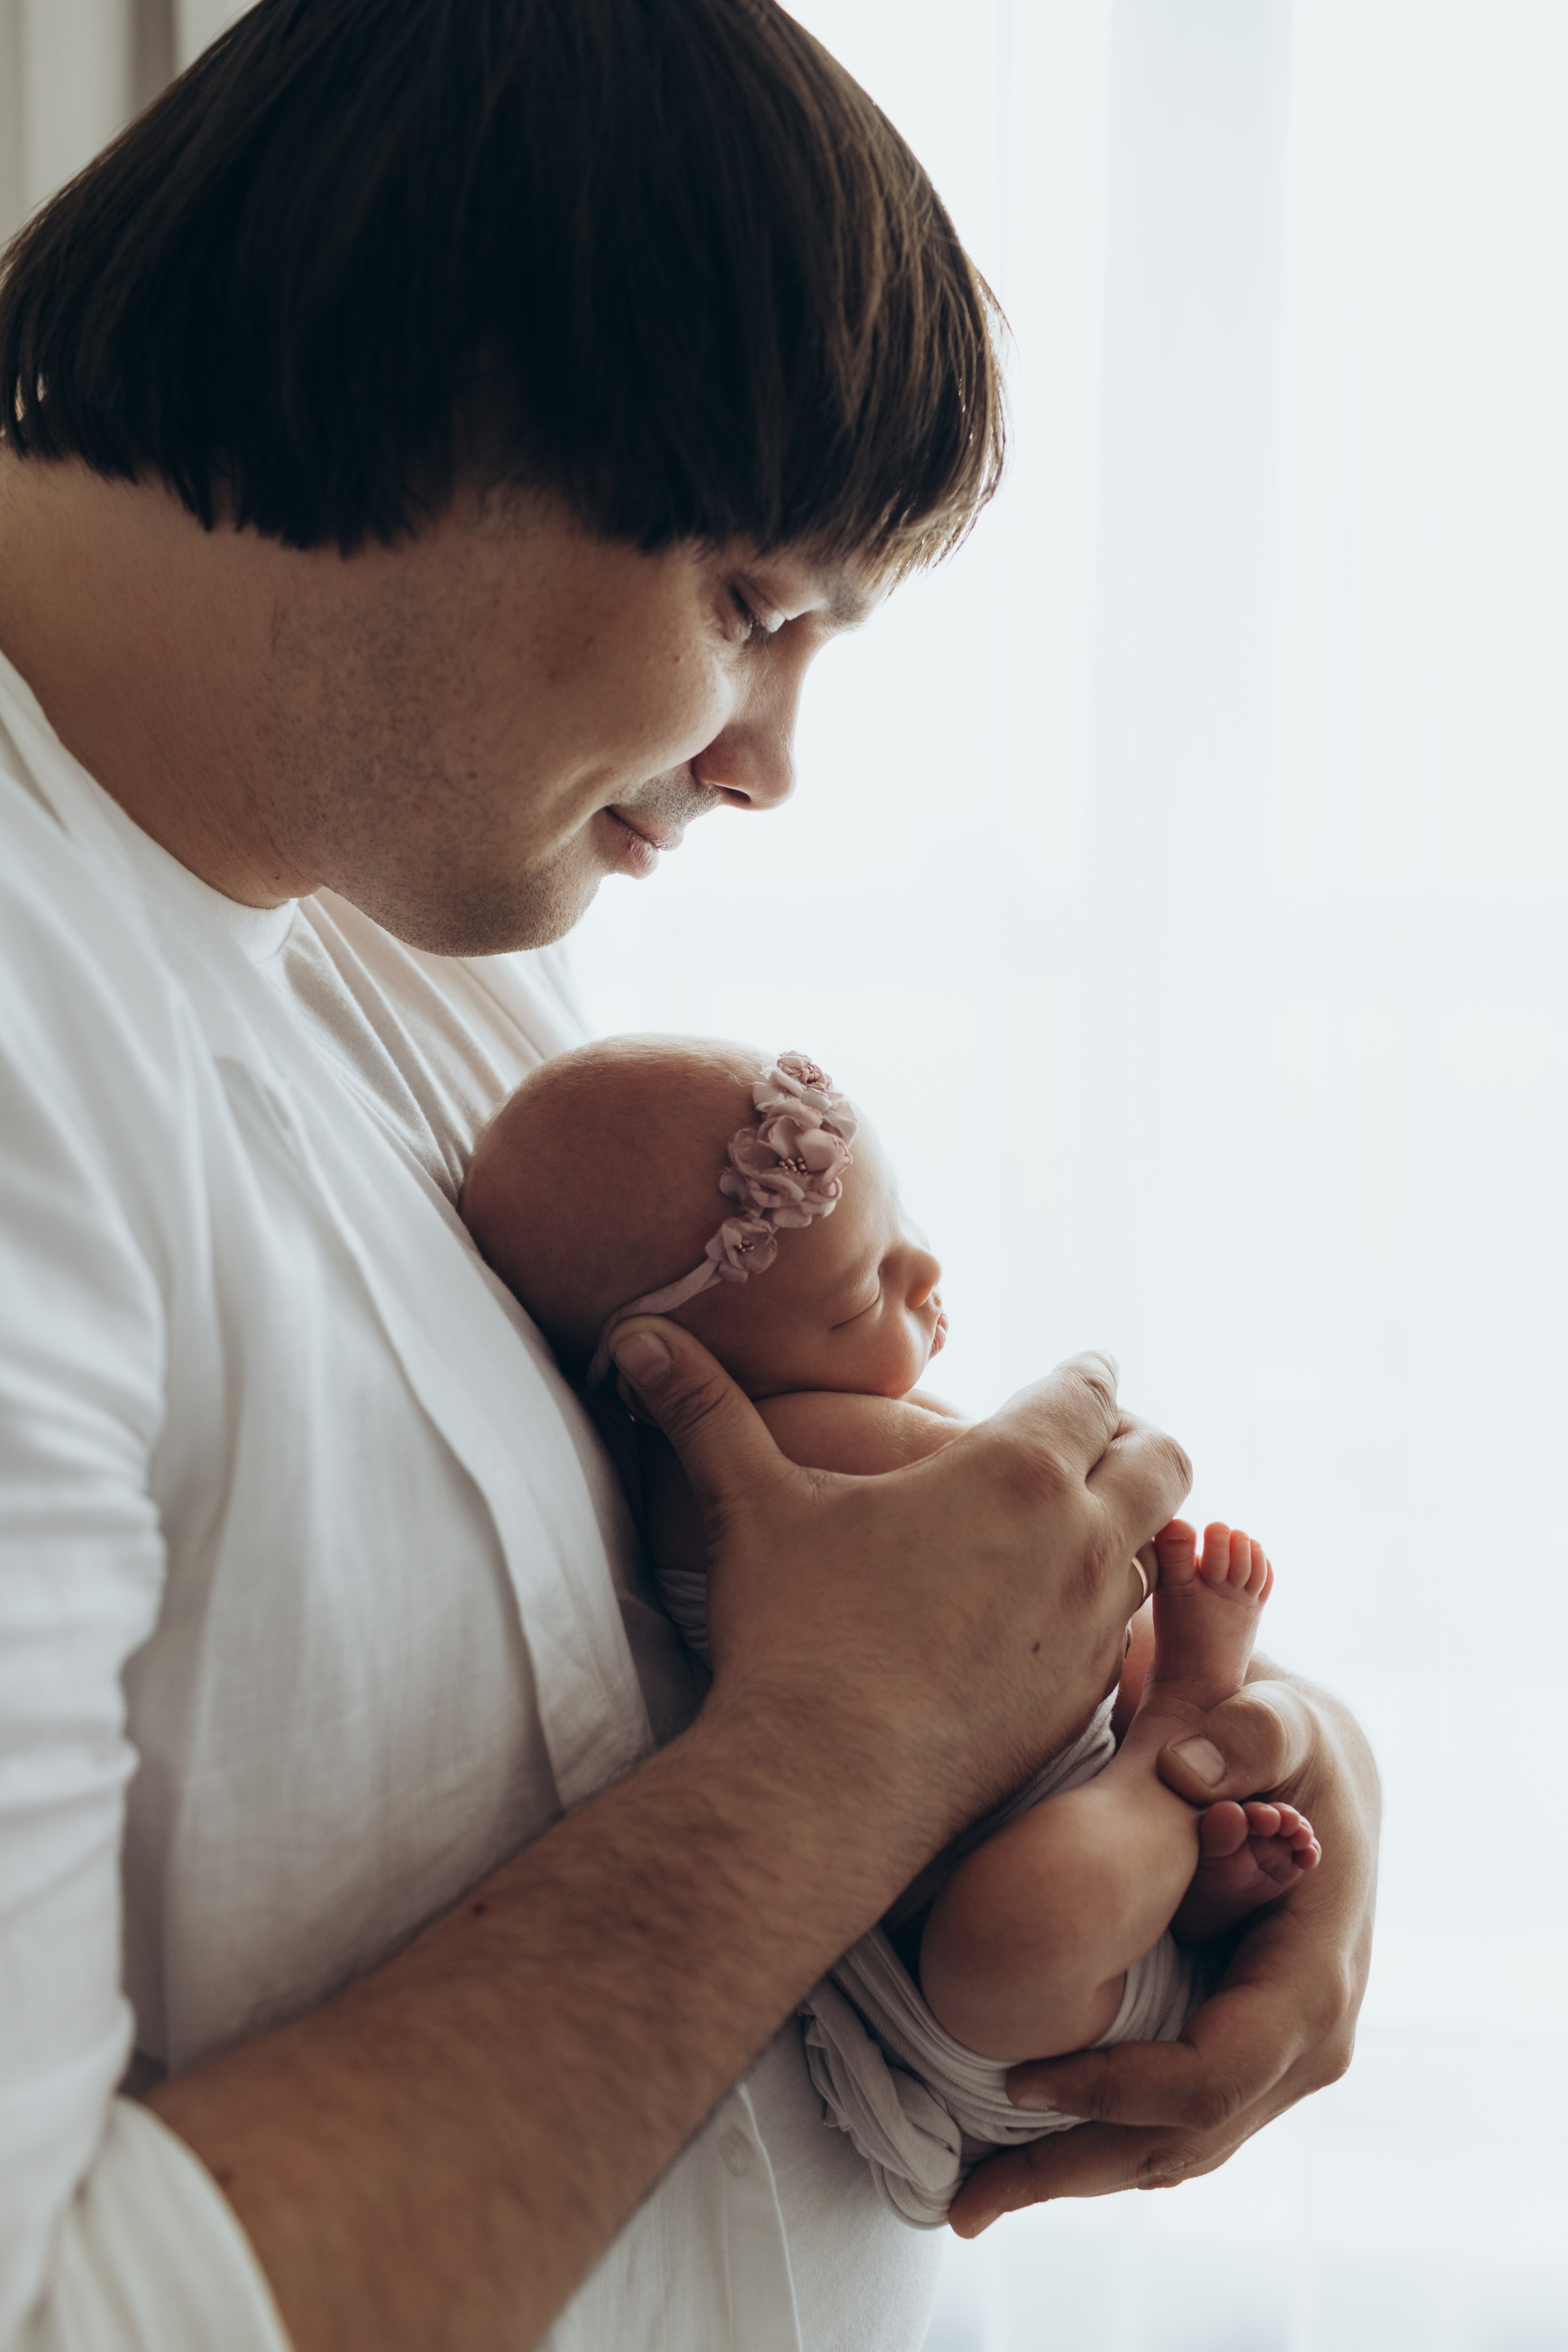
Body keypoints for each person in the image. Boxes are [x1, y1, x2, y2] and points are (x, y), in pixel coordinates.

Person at [0, 3, 1380, 2348]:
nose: (770, 768)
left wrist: (1218, 1769)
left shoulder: (385, 975)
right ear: (428, 354)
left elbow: (722, 1899)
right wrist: (845, 1767)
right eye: (753, 604)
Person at [462, 1036, 1322, 2226]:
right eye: (862, 1289)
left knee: (1040, 1905)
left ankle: (1194, 1840)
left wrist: (1334, 1760)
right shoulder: (803, 1447)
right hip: (1021, 2022)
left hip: (1035, 1903)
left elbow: (1057, 1599)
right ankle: (1174, 1746)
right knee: (1016, 1934)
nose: (924, 1273)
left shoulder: (782, 1439)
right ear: (662, 1366)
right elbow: (1074, 1541)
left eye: (899, 1229)